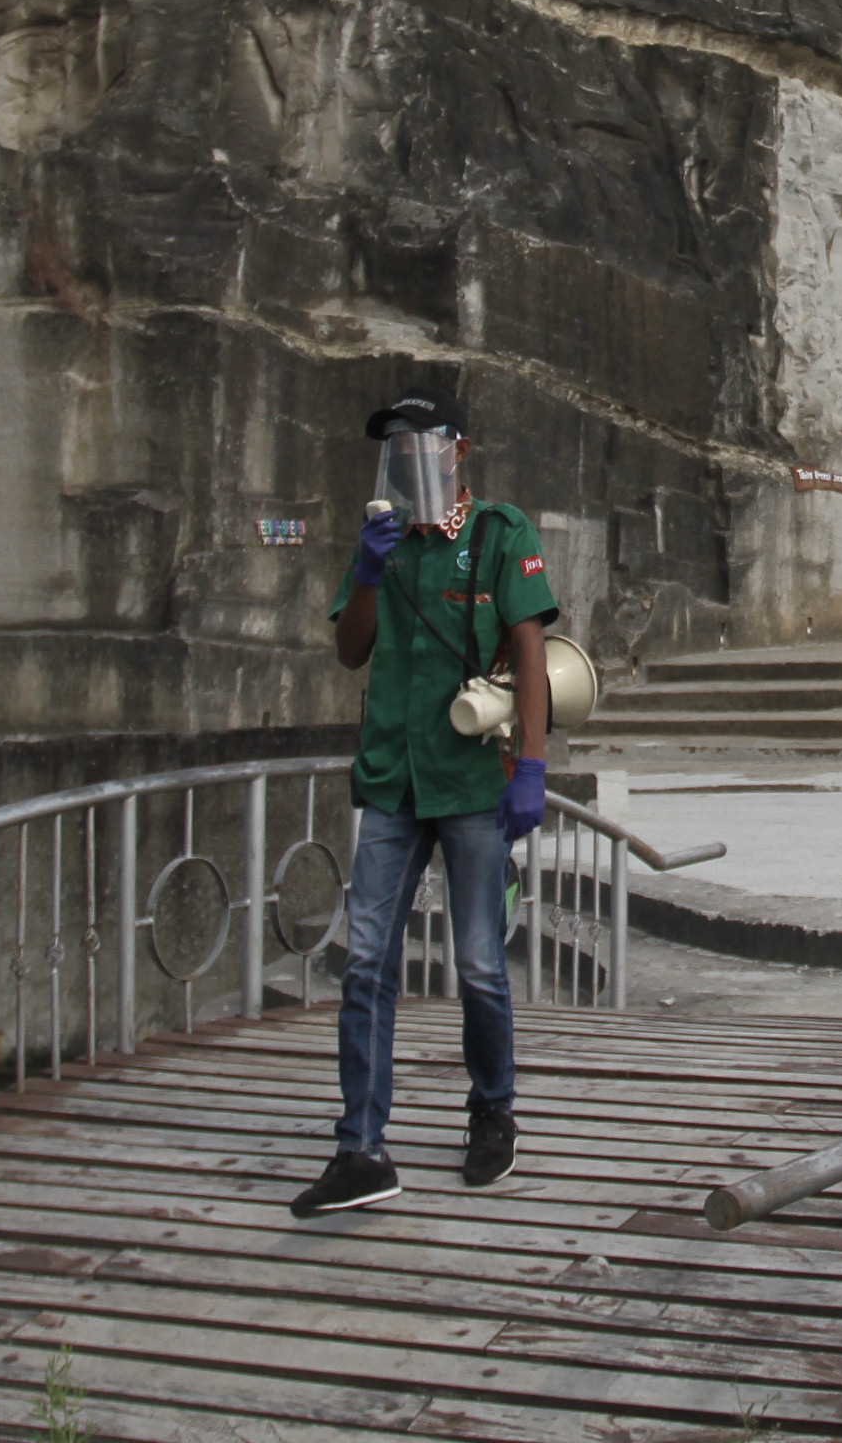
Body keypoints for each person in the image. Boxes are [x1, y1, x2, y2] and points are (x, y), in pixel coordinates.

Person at [289, 391, 559, 1220]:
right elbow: (350, 649)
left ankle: (492, 1111)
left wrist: (533, 768)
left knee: (478, 960)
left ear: (457, 450)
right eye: (396, 448)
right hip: (392, 779)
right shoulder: (386, 539)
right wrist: (366, 573)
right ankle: (360, 1146)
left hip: (472, 776)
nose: (409, 459)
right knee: (366, 960)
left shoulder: (498, 532)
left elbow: (530, 652)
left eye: (422, 444)